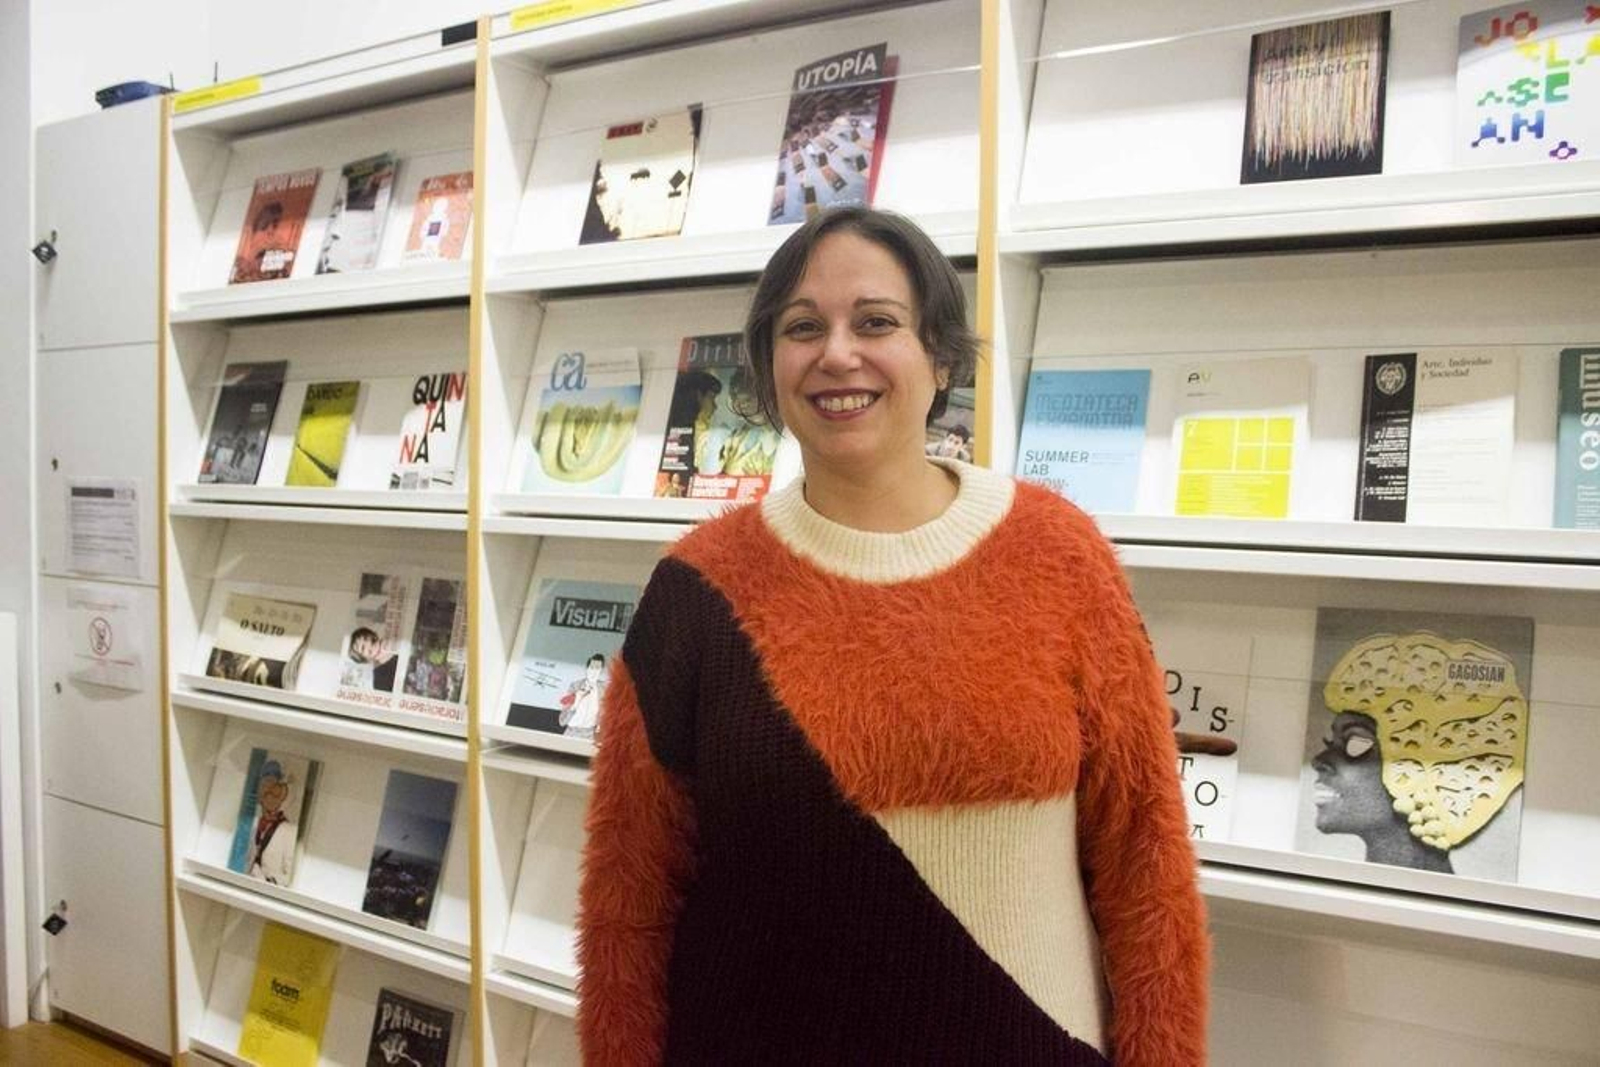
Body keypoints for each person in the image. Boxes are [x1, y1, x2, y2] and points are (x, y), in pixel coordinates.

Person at [576, 207, 1207, 1065]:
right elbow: (629, 896)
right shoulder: (696, 590)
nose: (838, 353)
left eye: (877, 321)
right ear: (769, 366)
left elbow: (1145, 860)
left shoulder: (1060, 555)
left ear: (940, 357)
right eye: (803, 328)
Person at [245, 760, 298, 886]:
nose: (270, 797)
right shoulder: (250, 823)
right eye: (265, 789)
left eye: (275, 792)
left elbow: (290, 877)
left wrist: (268, 880)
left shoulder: (289, 831)